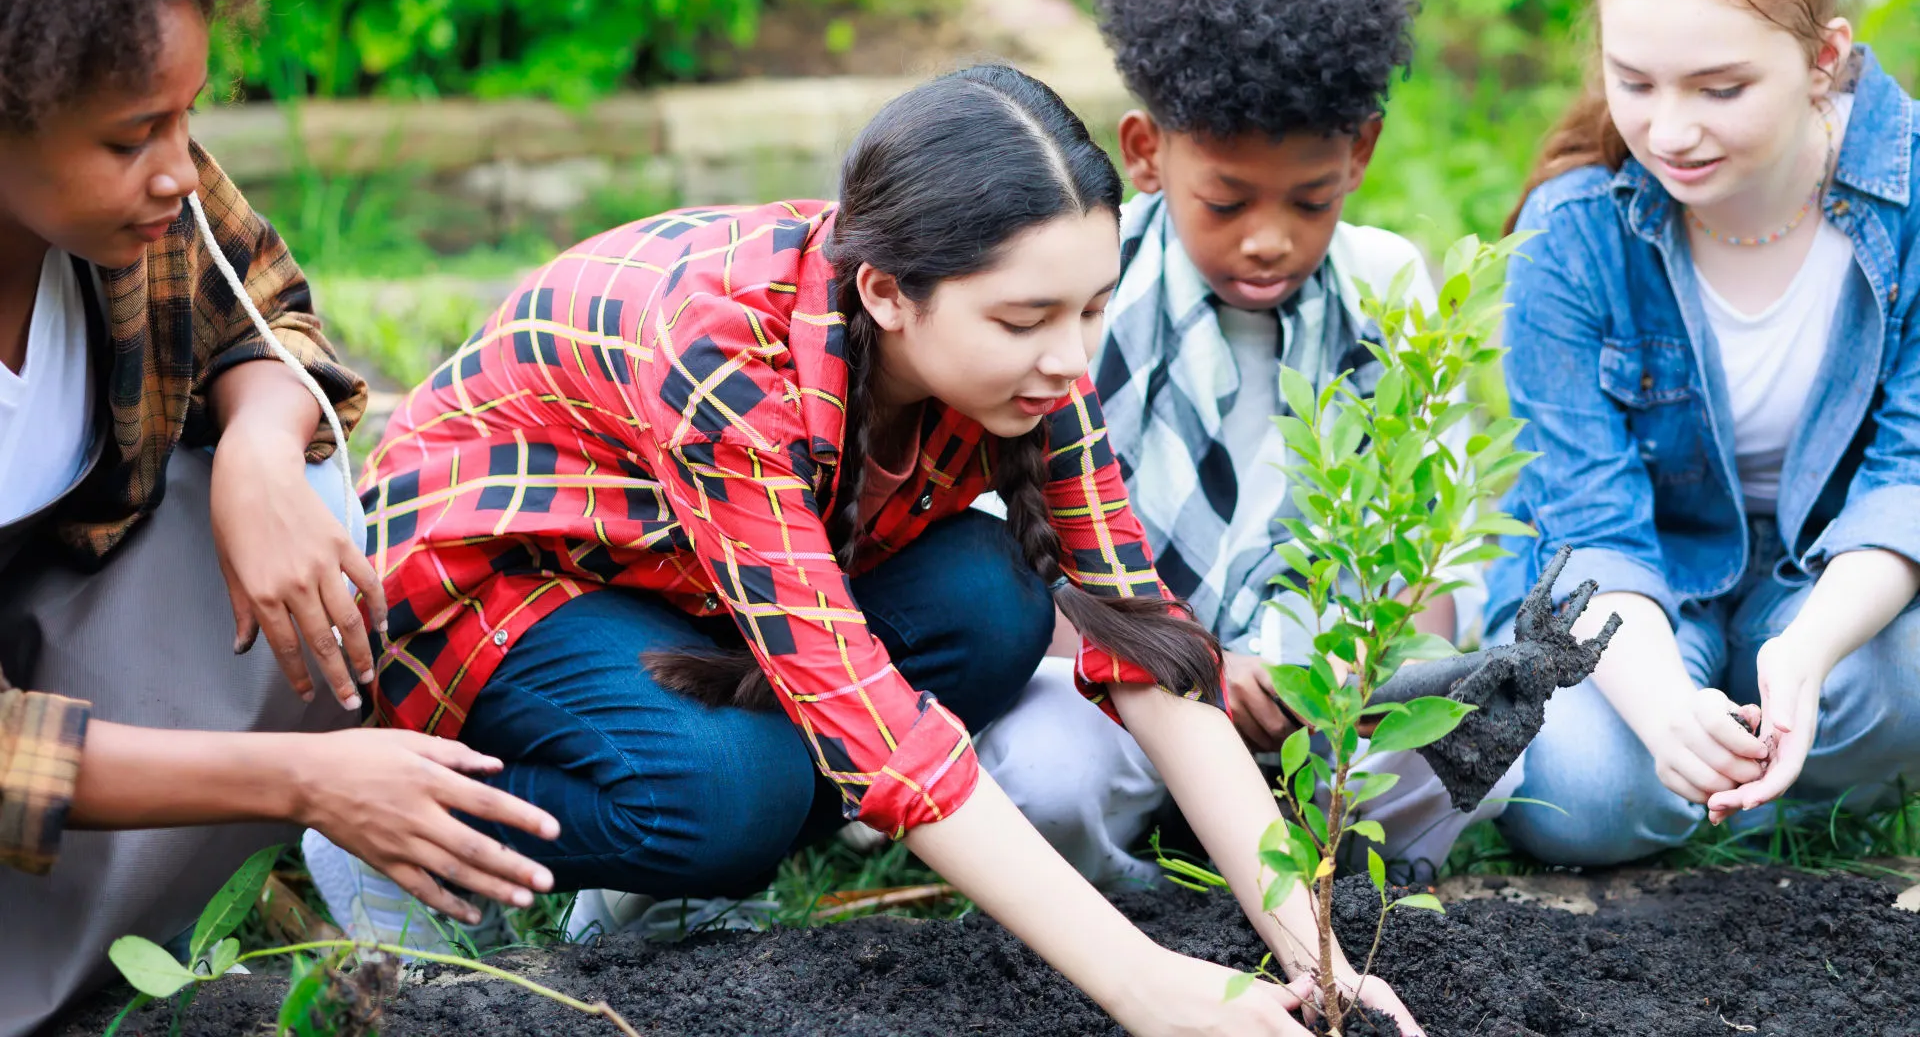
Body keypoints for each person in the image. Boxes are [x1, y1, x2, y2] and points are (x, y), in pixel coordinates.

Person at [319, 64, 1421, 1034]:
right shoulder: (719, 352)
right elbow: (880, 731)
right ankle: (404, 829)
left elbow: (1150, 644)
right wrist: (1144, 985)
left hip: (683, 580)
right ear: (890, 292)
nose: (1068, 356)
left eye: (1093, 307)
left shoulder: (1032, 363)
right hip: (499, 587)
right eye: (1026, 319)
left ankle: (687, 854)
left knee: (996, 601)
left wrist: (1309, 945)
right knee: (728, 794)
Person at [0, 0, 556, 1035]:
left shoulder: (144, 199)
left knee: (296, 502)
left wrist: (258, 439)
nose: (177, 168)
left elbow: (266, 307)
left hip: (49, 611)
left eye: (192, 117)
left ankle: (167, 898)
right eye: (136, 133)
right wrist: (304, 777)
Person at [975, 0, 1519, 891]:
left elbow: (1423, 561)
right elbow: (1015, 576)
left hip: (1314, 696)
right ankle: (1157, 877)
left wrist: (1357, 678)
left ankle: (1304, 851)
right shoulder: (1085, 296)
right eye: (1226, 201)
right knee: (1042, 781)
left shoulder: (1389, 283)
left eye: (1310, 200)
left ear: (1360, 151)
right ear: (1146, 151)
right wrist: (1193, 666)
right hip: (1114, 683)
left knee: (1477, 739)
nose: (1268, 238)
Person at [1487, 0, 1920, 866]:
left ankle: (1740, 757)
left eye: (1719, 89)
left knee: (1891, 690)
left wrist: (1808, 651)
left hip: (1832, 578)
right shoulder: (1573, 232)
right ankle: (1733, 765)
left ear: (1826, 57)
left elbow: (1910, 470)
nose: (1669, 129)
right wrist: (1658, 700)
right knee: (1577, 793)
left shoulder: (1907, 205)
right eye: (1634, 82)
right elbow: (1584, 513)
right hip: (1635, 583)